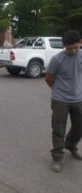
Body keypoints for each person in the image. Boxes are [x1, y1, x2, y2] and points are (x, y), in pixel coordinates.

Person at [45, 30, 82, 172]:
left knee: (79, 127)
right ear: (64, 46)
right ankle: (57, 157)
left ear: (80, 43)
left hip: (79, 98)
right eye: (69, 48)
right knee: (58, 129)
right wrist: (57, 91)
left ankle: (71, 145)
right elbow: (48, 78)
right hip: (60, 99)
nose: (72, 51)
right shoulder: (57, 59)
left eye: (76, 47)